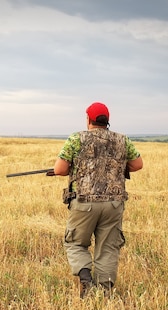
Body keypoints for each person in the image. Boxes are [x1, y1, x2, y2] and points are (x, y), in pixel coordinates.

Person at [53, 102, 143, 298]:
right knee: (109, 247)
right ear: (107, 120)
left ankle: (85, 278)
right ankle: (104, 292)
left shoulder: (77, 138)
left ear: (88, 119)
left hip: (84, 202)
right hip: (113, 204)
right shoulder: (122, 140)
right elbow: (137, 164)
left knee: (76, 243)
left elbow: (60, 169)